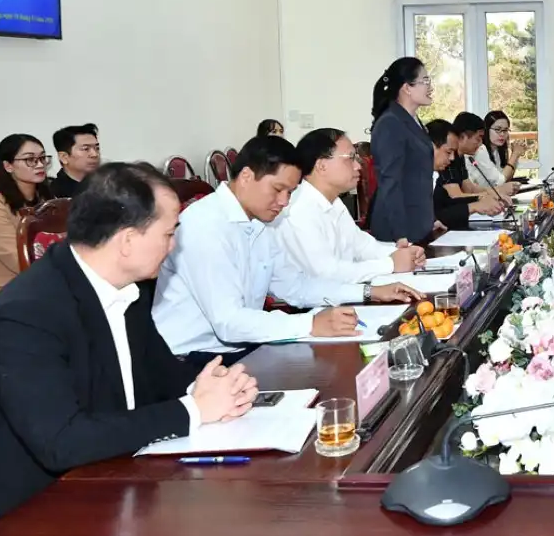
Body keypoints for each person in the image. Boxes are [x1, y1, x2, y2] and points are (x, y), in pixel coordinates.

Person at [0, 163, 259, 536]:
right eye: (168, 233)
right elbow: (63, 442)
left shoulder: (127, 290)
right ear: (127, 241)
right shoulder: (26, 313)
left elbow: (166, 380)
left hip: (117, 490)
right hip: (25, 525)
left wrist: (218, 390)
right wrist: (195, 409)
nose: (174, 246)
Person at [153, 136, 422, 370]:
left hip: (241, 348)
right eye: (277, 189)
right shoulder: (205, 225)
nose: (283, 202)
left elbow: (295, 286)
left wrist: (369, 292)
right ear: (246, 177)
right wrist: (309, 324)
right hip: (192, 360)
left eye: (290, 192)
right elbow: (229, 321)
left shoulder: (261, 221)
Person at [277, 128, 426, 283]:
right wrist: (390, 264)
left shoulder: (334, 202)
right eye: (350, 158)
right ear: (321, 166)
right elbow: (326, 274)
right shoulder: (298, 209)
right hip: (311, 304)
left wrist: (404, 253)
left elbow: (363, 247)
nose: (358, 166)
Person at [0, 134, 55, 299]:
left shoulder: (47, 199)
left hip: (53, 283)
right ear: (8, 166)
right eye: (30, 160)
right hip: (15, 295)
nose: (40, 164)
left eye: (42, 158)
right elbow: (19, 260)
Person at [368, 58, 436, 243]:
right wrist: (400, 234)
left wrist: (431, 218)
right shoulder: (390, 123)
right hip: (399, 228)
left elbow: (417, 176)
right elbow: (390, 182)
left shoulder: (411, 120)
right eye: (425, 81)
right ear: (407, 88)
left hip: (418, 222)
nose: (430, 87)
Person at [427, 119, 505, 229]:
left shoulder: (436, 172)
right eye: (448, 152)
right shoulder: (416, 177)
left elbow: (447, 204)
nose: (452, 158)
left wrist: (482, 200)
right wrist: (476, 204)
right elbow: (453, 199)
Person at [453, 111, 517, 197]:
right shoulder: (451, 160)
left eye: (505, 130)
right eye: (478, 138)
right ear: (463, 136)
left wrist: (498, 192)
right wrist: (498, 192)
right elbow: (455, 196)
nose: (480, 144)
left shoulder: (460, 158)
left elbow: (471, 189)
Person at [49, 123, 101, 198]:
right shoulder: (54, 194)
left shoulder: (107, 185)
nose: (94, 154)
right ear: (64, 157)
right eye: (86, 149)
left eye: (97, 148)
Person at [478, 110, 516, 183]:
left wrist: (515, 155)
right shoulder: (480, 150)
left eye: (505, 130)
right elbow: (499, 182)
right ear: (486, 130)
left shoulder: (498, 150)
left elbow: (507, 178)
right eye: (497, 129)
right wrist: (515, 155)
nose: (502, 134)